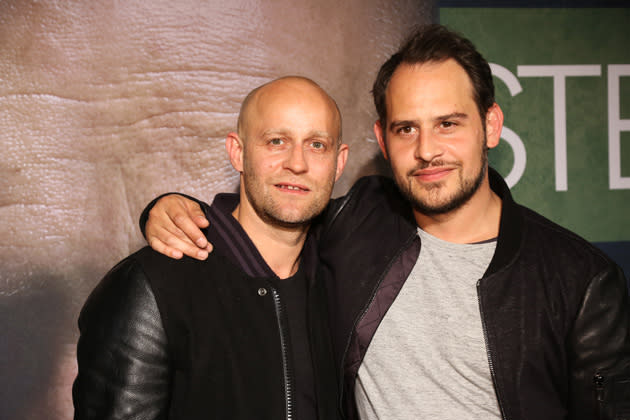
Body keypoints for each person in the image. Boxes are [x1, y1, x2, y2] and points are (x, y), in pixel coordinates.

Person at [140, 25, 630, 420]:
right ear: (382, 137)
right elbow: (268, 214)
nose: (426, 150)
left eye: (448, 123)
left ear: (492, 125)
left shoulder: (579, 280)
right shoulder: (355, 222)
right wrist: (169, 207)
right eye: (406, 128)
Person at [72, 76, 349, 419]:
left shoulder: (339, 282)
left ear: (339, 162)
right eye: (276, 141)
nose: (297, 162)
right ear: (238, 152)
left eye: (317, 145)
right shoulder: (152, 285)